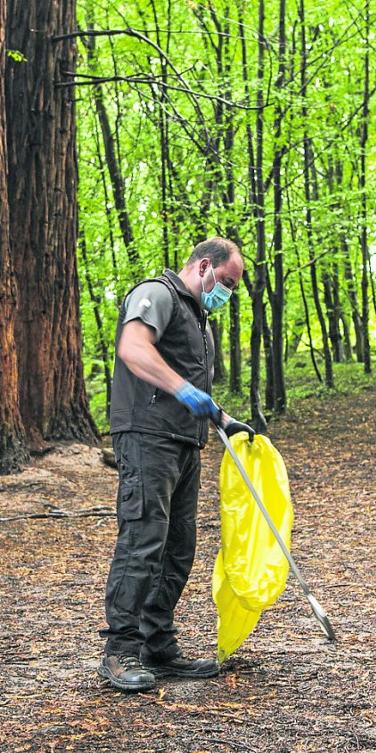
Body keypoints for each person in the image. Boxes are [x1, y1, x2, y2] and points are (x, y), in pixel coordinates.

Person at [99, 237, 255, 693]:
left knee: (179, 546)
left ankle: (156, 642)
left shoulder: (199, 319)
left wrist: (224, 418)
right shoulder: (158, 294)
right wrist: (184, 391)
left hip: (185, 441)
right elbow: (134, 348)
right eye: (225, 282)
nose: (225, 292)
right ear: (204, 266)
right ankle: (120, 649)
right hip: (147, 436)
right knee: (143, 539)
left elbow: (191, 387)